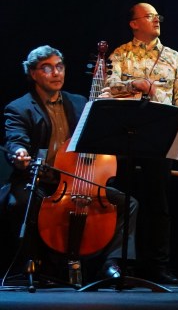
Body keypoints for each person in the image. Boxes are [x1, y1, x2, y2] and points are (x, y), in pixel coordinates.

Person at [2, 45, 136, 284]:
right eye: (47, 68)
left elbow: (98, 138)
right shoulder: (19, 108)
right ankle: (36, 263)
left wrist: (105, 111)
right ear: (33, 73)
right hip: (40, 179)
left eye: (60, 67)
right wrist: (20, 152)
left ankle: (111, 264)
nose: (56, 73)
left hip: (78, 178)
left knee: (128, 203)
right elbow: (15, 139)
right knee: (21, 201)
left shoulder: (79, 102)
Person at [103, 2, 178, 285]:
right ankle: (122, 262)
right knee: (125, 199)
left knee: (158, 202)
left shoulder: (173, 56)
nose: (156, 20)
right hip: (126, 136)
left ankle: (158, 265)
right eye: (149, 16)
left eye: (157, 16)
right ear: (134, 23)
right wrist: (135, 85)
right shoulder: (120, 53)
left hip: (160, 135)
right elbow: (108, 86)